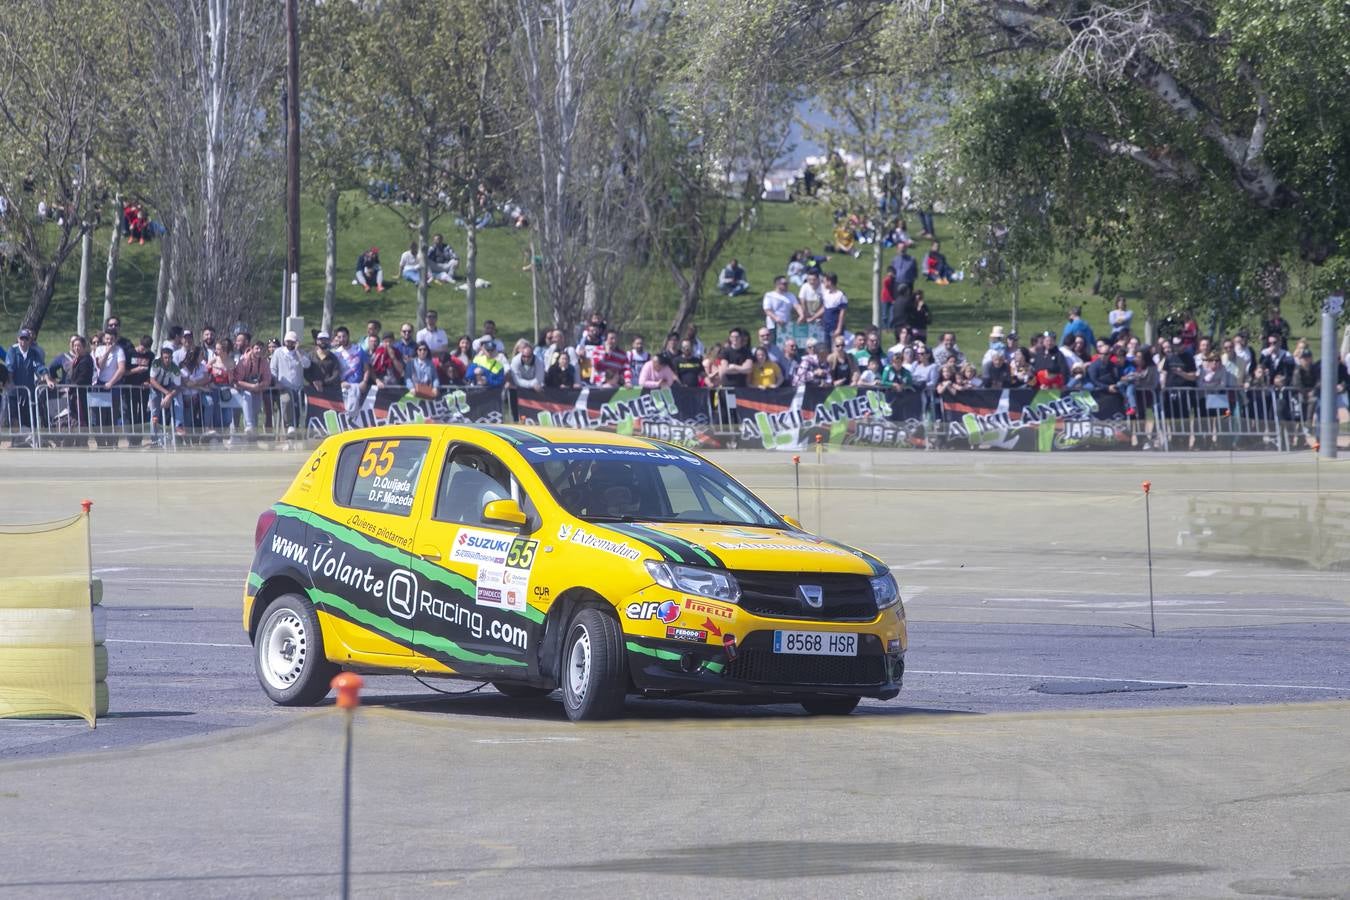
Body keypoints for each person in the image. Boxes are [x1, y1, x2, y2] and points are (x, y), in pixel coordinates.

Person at [270, 330, 308, 437]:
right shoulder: (278, 352)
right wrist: (276, 382)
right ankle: (289, 425)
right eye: (287, 341)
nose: (289, 344)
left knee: (300, 404)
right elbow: (273, 369)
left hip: (298, 388)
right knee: (286, 400)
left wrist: (298, 352)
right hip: (283, 387)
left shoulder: (301, 353)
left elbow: (306, 365)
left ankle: (300, 429)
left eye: (292, 342)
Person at [232, 340, 272, 436]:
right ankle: (245, 428)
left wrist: (259, 386)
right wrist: (251, 386)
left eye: (261, 349)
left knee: (256, 410)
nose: (259, 351)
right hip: (241, 390)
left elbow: (267, 379)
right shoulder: (243, 361)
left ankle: (252, 435)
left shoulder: (264, 362)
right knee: (247, 398)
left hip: (257, 390)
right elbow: (237, 381)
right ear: (252, 348)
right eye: (257, 348)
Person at [148, 343, 182, 437]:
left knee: (176, 405)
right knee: (155, 412)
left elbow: (178, 386)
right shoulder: (156, 363)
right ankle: (154, 438)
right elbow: (152, 380)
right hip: (156, 387)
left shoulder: (175, 368)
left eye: (169, 357)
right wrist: (167, 393)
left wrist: (170, 395)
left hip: (169, 387)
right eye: (165, 357)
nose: (167, 360)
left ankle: (175, 428)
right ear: (162, 357)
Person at [761, 276, 796, 340]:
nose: (787, 285)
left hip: (787, 325)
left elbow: (797, 306)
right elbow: (767, 310)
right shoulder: (769, 295)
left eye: (787, 283)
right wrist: (776, 318)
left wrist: (801, 315)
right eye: (784, 284)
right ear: (777, 285)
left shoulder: (790, 295)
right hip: (773, 326)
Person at [819, 273, 848, 340]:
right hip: (826, 326)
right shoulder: (826, 293)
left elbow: (842, 314)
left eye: (824, 281)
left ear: (829, 282)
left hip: (835, 326)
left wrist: (839, 328)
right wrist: (813, 318)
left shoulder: (841, 295)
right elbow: (824, 308)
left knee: (836, 347)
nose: (823, 283)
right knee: (827, 348)